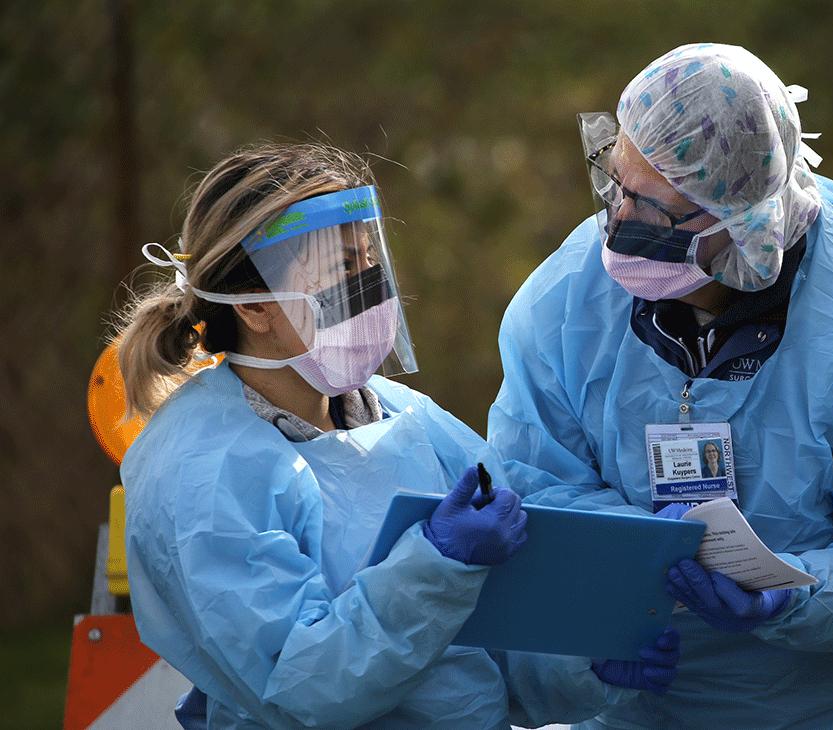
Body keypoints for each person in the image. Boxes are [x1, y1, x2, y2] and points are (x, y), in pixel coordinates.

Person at [489, 44, 833, 728]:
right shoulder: (566, 303)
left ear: (741, 219)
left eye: (653, 209)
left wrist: (793, 595)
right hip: (638, 704)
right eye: (615, 183)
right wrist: (631, 548)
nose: (619, 223)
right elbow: (533, 485)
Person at [116, 143, 679, 729]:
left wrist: (582, 664)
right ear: (256, 306)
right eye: (343, 269)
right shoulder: (202, 470)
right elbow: (301, 689)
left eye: (370, 260)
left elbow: (474, 656)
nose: (370, 287)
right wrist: (436, 565)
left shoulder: (403, 416)